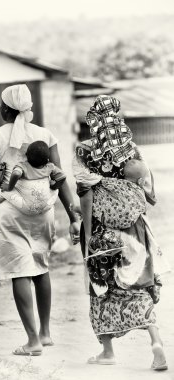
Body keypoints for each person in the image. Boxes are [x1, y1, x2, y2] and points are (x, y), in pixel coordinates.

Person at [0, 84, 79, 356]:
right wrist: (74, 218)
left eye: (0, 104)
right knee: (41, 268)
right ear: (28, 108)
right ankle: (45, 333)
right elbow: (60, 177)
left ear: (5, 108)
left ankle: (32, 342)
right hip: (45, 212)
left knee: (20, 272)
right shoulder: (45, 134)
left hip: (11, 214)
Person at [73, 94, 168, 370]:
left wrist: (89, 234)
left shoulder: (84, 150)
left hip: (102, 231)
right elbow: (149, 192)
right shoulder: (131, 148)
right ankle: (156, 342)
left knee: (101, 287)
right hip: (134, 230)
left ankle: (107, 351)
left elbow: (85, 193)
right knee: (137, 283)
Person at [0, 140, 66, 216]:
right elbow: (62, 176)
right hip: (46, 206)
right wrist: (54, 186)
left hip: (28, 208)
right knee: (56, 190)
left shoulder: (23, 166)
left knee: (1, 191)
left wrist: (9, 186)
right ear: (47, 159)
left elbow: (16, 173)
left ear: (27, 156)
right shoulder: (50, 166)